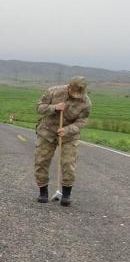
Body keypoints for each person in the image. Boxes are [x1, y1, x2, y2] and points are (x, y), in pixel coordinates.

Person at [35, 76, 91, 206]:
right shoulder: (53, 91)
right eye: (74, 92)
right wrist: (54, 108)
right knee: (41, 161)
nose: (76, 96)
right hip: (47, 132)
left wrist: (67, 129)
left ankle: (66, 194)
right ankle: (43, 191)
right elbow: (39, 108)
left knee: (68, 163)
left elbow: (82, 121)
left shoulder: (86, 103)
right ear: (69, 86)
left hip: (69, 136)